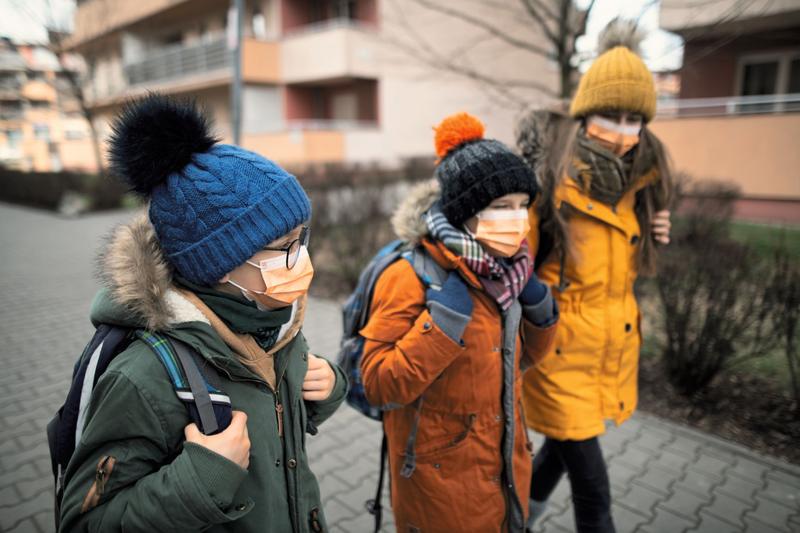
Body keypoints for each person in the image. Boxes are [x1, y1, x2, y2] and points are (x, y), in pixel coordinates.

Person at [58, 94, 347, 532]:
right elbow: (84, 522)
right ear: (215, 262)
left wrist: (329, 388)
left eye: (301, 239)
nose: (300, 258)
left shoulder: (272, 321)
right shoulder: (143, 377)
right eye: (282, 247)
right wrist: (200, 477)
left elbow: (277, 418)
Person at [360, 112, 559, 532]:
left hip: (506, 466)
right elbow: (378, 384)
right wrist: (443, 324)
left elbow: (520, 363)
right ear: (464, 212)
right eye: (501, 207)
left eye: (523, 206)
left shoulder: (511, 274)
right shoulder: (411, 275)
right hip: (439, 487)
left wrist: (540, 311)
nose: (517, 220)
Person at [516, 19, 673, 533]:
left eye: (634, 118)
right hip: (557, 356)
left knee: (562, 456)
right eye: (611, 114)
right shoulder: (548, 184)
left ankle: (516, 521)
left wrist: (652, 231)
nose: (623, 129)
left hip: (608, 354)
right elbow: (515, 271)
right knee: (595, 491)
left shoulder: (638, 185)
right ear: (585, 113)